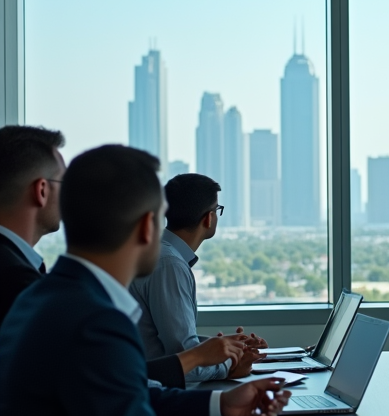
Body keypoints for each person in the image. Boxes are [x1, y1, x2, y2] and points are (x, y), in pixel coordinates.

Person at [0, 145, 340, 416]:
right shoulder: (95, 321)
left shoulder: (46, 297)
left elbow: (123, 395)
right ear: (146, 225)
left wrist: (218, 405)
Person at [0, 125, 248, 388]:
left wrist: (217, 400)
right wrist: (215, 364)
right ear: (145, 227)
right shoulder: (88, 313)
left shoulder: (54, 290)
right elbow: (114, 394)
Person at [131, 173, 266, 382]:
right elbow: (187, 363)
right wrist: (230, 364)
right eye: (217, 210)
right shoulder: (170, 265)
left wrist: (228, 348)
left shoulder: (160, 254)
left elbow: (168, 343)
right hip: (155, 395)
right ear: (208, 217)